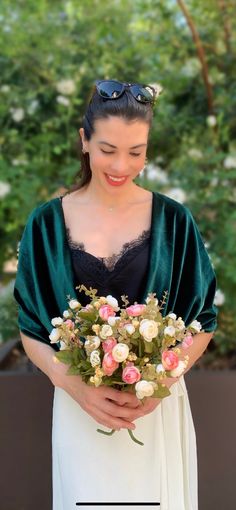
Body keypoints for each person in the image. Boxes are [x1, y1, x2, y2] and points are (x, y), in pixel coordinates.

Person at [14, 79, 218, 510]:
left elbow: (203, 322)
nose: (121, 165)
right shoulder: (45, 225)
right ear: (84, 141)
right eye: (108, 150)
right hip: (77, 406)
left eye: (136, 152)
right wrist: (74, 385)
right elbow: (31, 328)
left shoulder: (175, 222)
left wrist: (158, 381)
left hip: (156, 411)